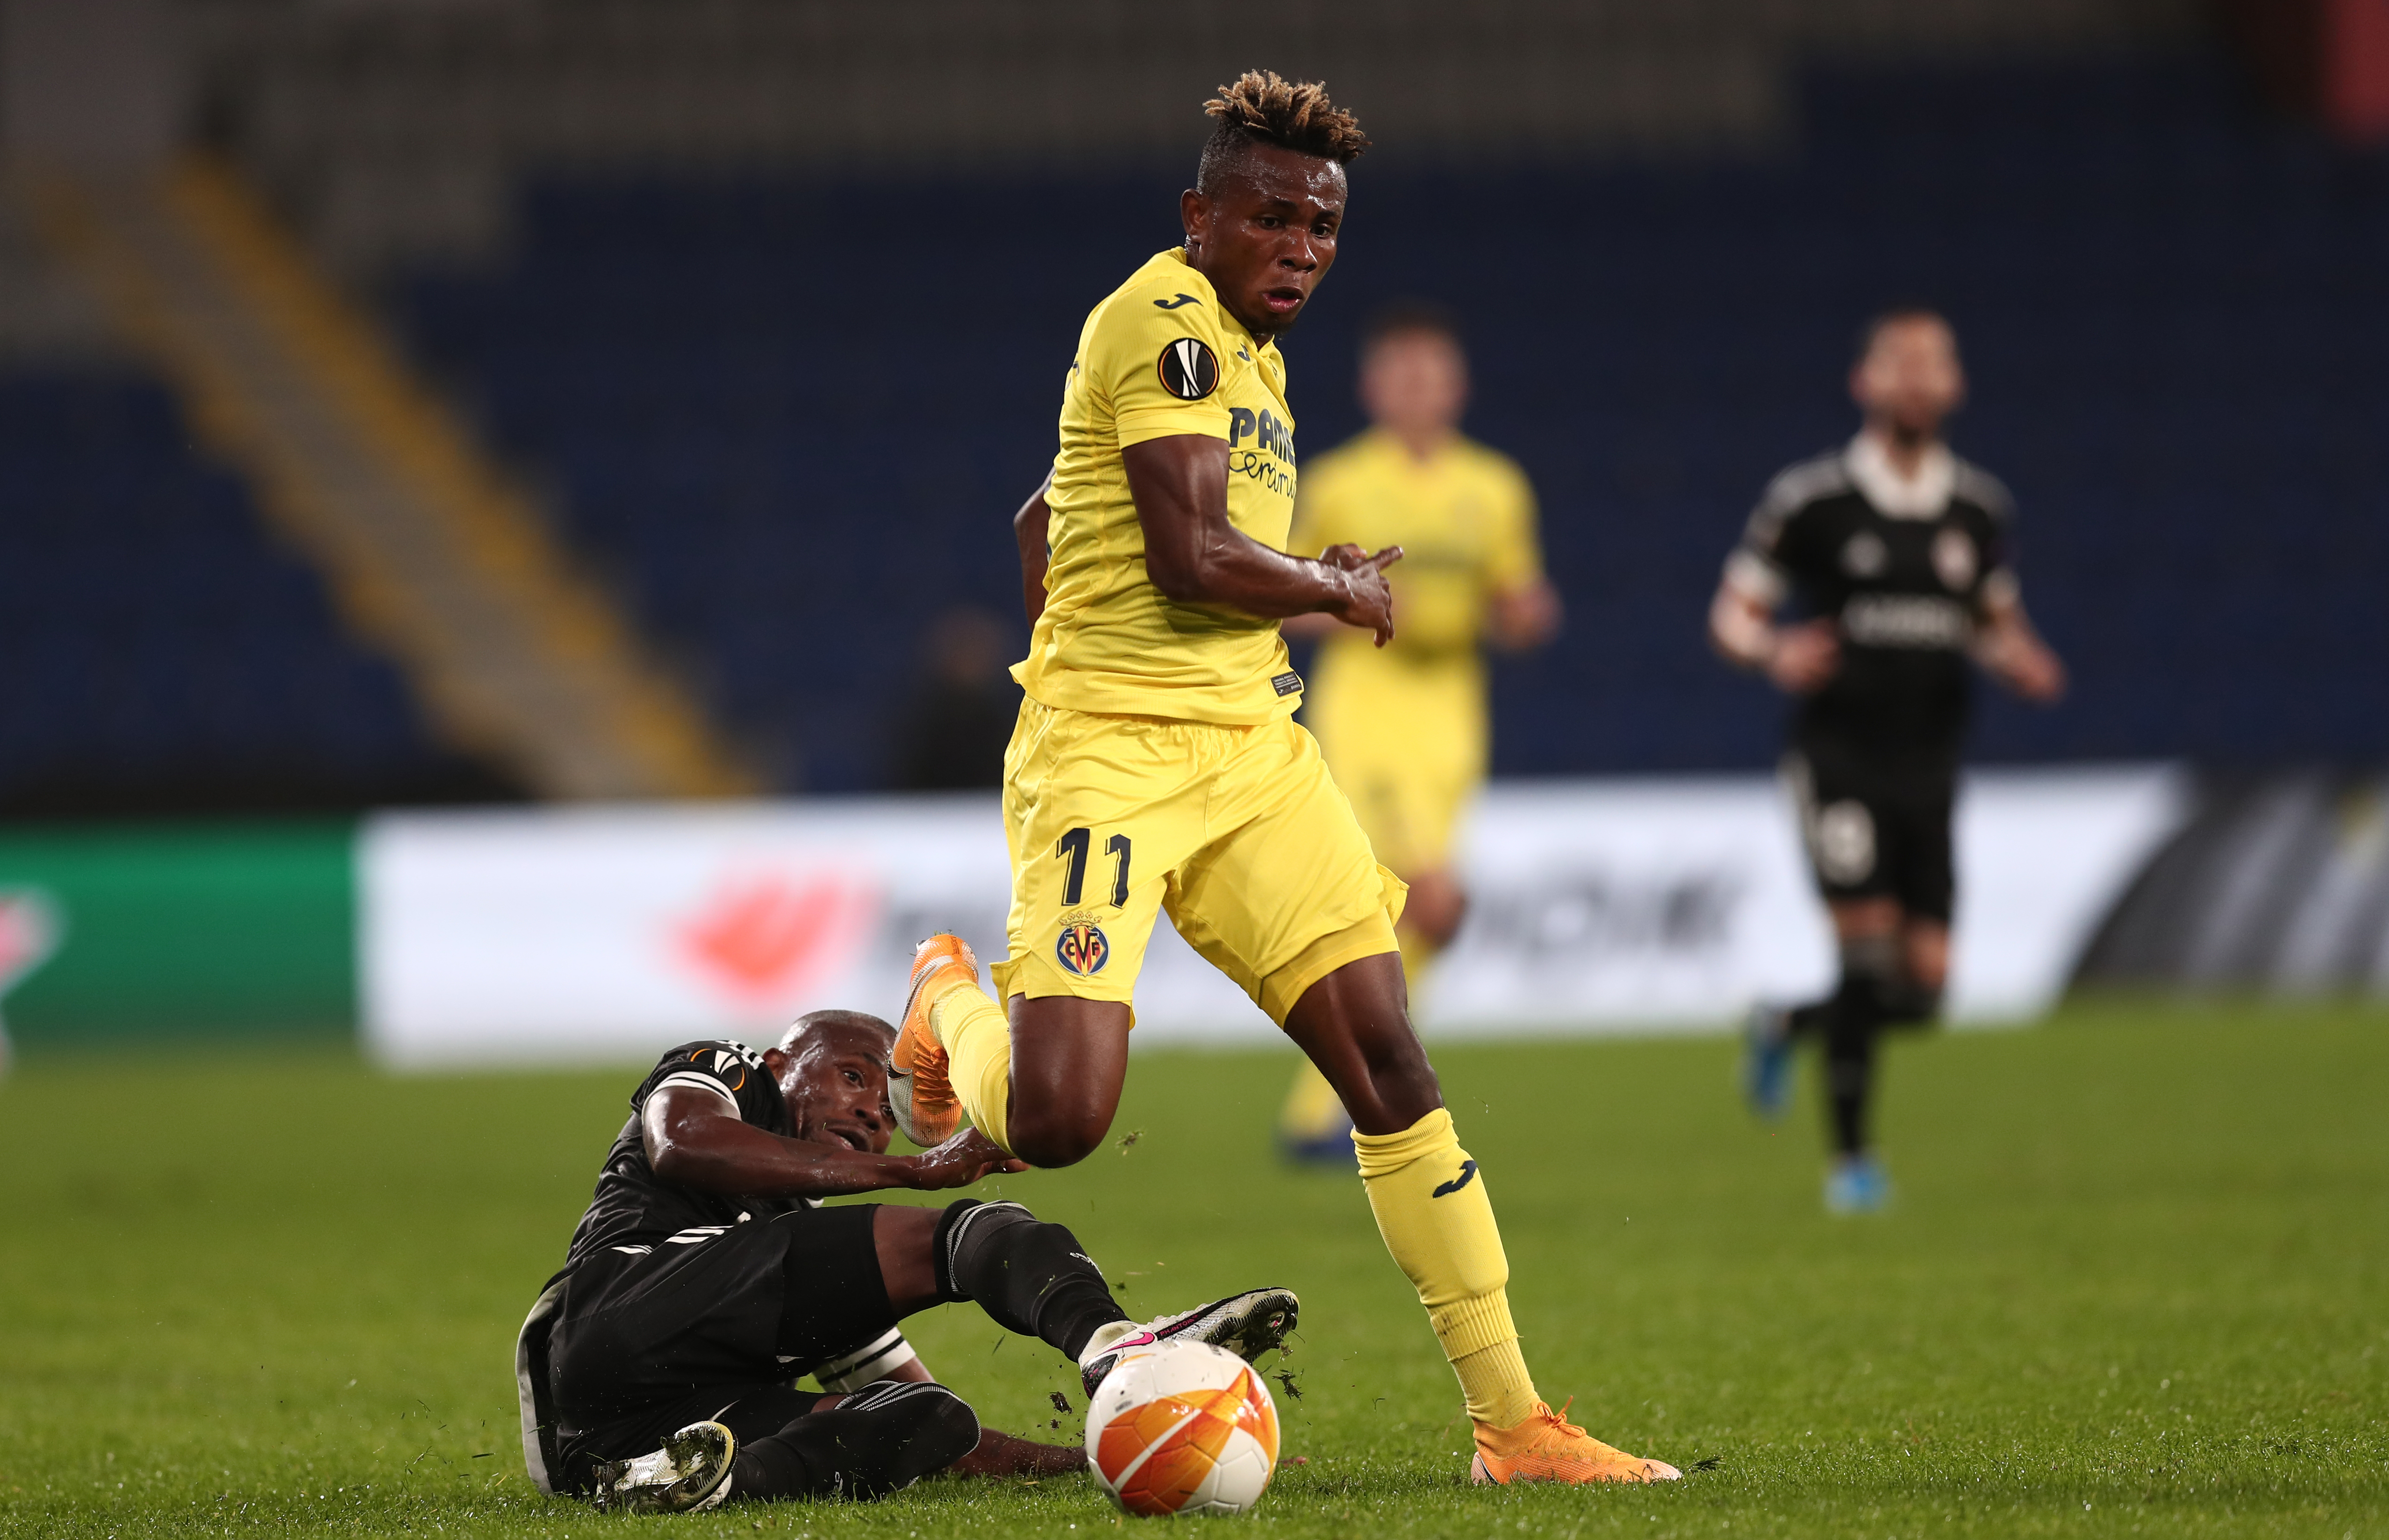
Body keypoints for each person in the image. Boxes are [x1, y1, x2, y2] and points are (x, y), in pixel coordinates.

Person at [888, 71, 1678, 1485]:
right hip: (1113, 765)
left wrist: (1113, 618)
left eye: (1323, 227)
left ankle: (1514, 1426)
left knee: (1389, 1061)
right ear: (1202, 217)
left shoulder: (1260, 359)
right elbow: (1191, 558)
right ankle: (950, 995)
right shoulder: (1167, 324)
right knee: (1063, 1120)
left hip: (1254, 755)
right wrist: (1307, 591)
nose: (1302, 249)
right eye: (1272, 219)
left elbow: (1042, 515)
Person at [514, 1010, 1299, 1512]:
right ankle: (1114, 1344)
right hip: (612, 1307)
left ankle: (700, 1482)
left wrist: (1114, 1445)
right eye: (852, 1077)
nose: (869, 1112)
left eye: (888, 1118)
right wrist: (916, 1172)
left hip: (609, 1439)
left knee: (930, 1420)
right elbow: (680, 1144)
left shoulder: (800, 1262)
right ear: (787, 1063)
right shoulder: (732, 1070)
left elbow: (936, 1419)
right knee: (975, 1229)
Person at [1708, 307, 2067, 1213]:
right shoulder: (1814, 502)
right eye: (1897, 363)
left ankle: (1787, 1022)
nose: (1915, 378)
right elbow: (1734, 614)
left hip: (1931, 765)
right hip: (1838, 759)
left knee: (1925, 989)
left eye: (1932, 363)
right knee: (1868, 965)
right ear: (1864, 382)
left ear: (1954, 385)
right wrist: (1773, 653)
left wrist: (2021, 658)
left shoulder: (1977, 509)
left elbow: (1989, 616)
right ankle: (1853, 1165)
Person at [1272, 301, 1560, 1162]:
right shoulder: (1338, 482)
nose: (1416, 391)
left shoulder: (1497, 487)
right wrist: (1348, 602)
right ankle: (1347, 1109)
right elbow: (1283, 600)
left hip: (1453, 712)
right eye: (1400, 375)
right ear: (1373, 387)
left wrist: (1526, 615)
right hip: (1369, 702)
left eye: (1431, 375)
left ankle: (1319, 1115)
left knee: (1418, 919)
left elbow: (1517, 604)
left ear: (1456, 387)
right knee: (1428, 899)